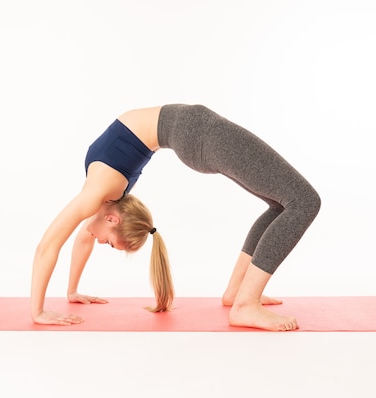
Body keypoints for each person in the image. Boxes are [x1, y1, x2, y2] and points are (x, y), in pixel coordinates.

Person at [30, 104, 320, 331]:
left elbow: (49, 245)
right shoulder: (105, 198)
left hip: (198, 132)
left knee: (296, 202)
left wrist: (40, 310)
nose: (97, 240)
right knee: (296, 201)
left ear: (113, 220)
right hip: (196, 131)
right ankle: (242, 300)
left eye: (108, 243)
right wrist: (71, 291)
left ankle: (240, 298)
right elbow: (83, 238)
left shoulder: (97, 193)